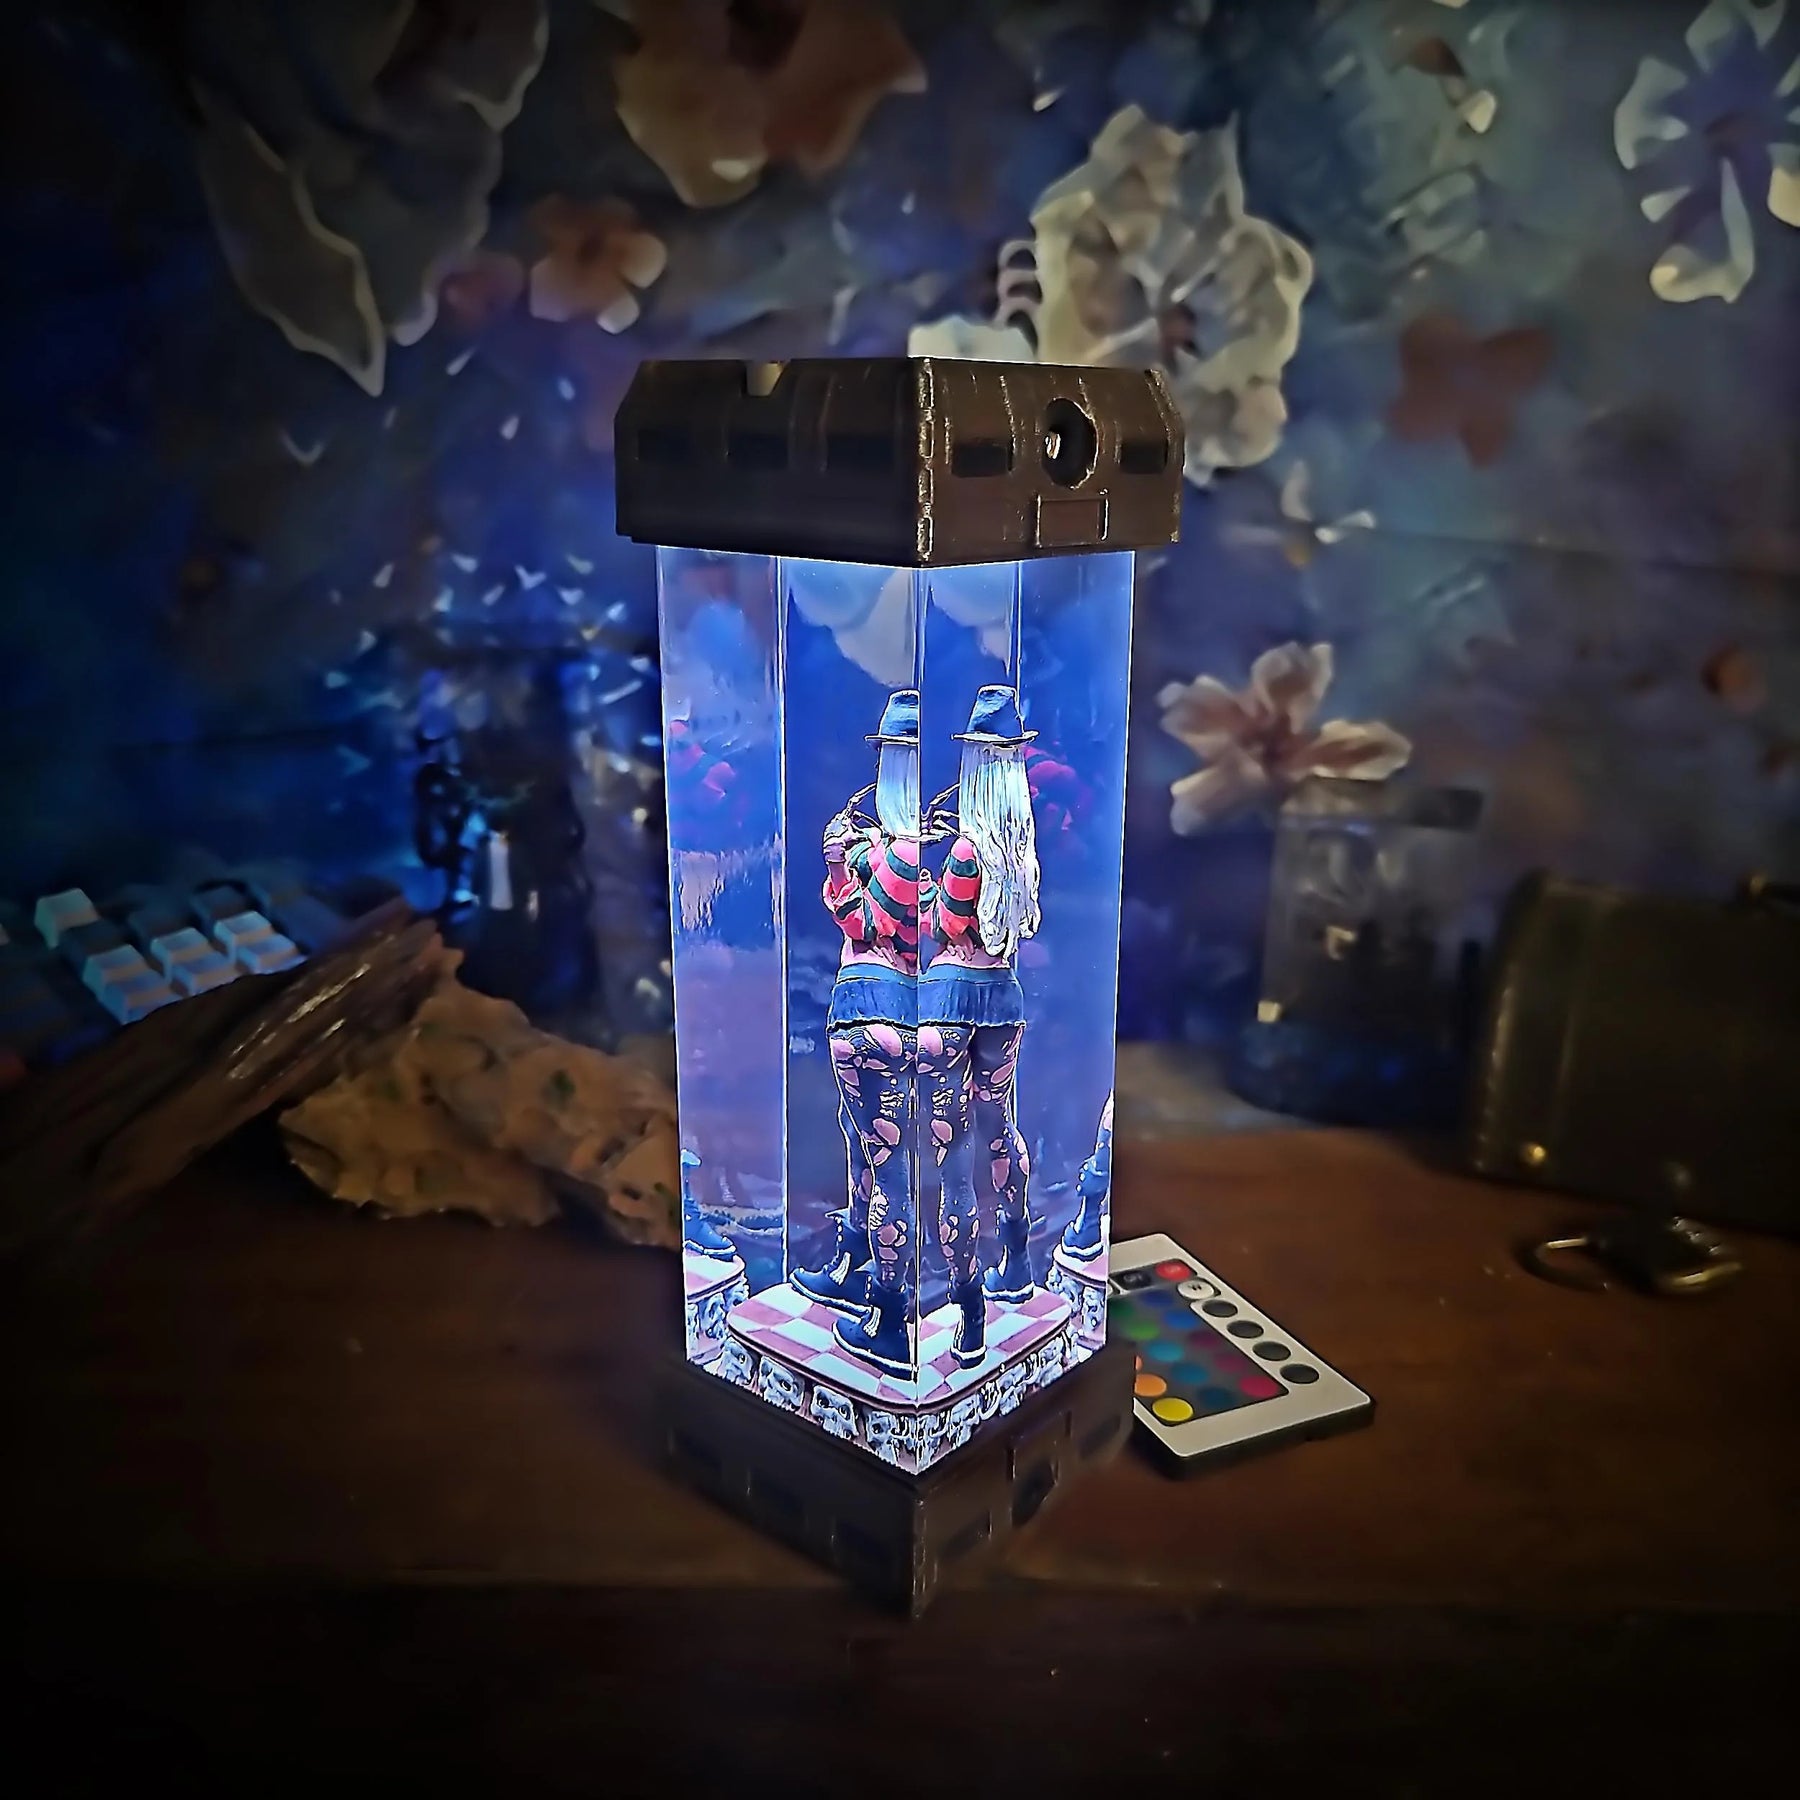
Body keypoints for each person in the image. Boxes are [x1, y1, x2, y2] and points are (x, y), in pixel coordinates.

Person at [789, 690, 921, 1378]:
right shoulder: (937, 843)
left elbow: (863, 923)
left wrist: (840, 865)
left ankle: (891, 1319)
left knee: (885, 1161)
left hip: (871, 1007)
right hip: (907, 1012)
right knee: (868, 1148)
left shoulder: (907, 851)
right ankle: (856, 1271)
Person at [919, 685, 1042, 1368]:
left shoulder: (968, 850)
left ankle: (970, 1317)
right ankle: (1017, 1261)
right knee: (1000, 1129)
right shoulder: (1020, 846)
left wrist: (931, 887)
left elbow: (943, 924)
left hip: (952, 999)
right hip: (1002, 996)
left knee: (955, 1159)